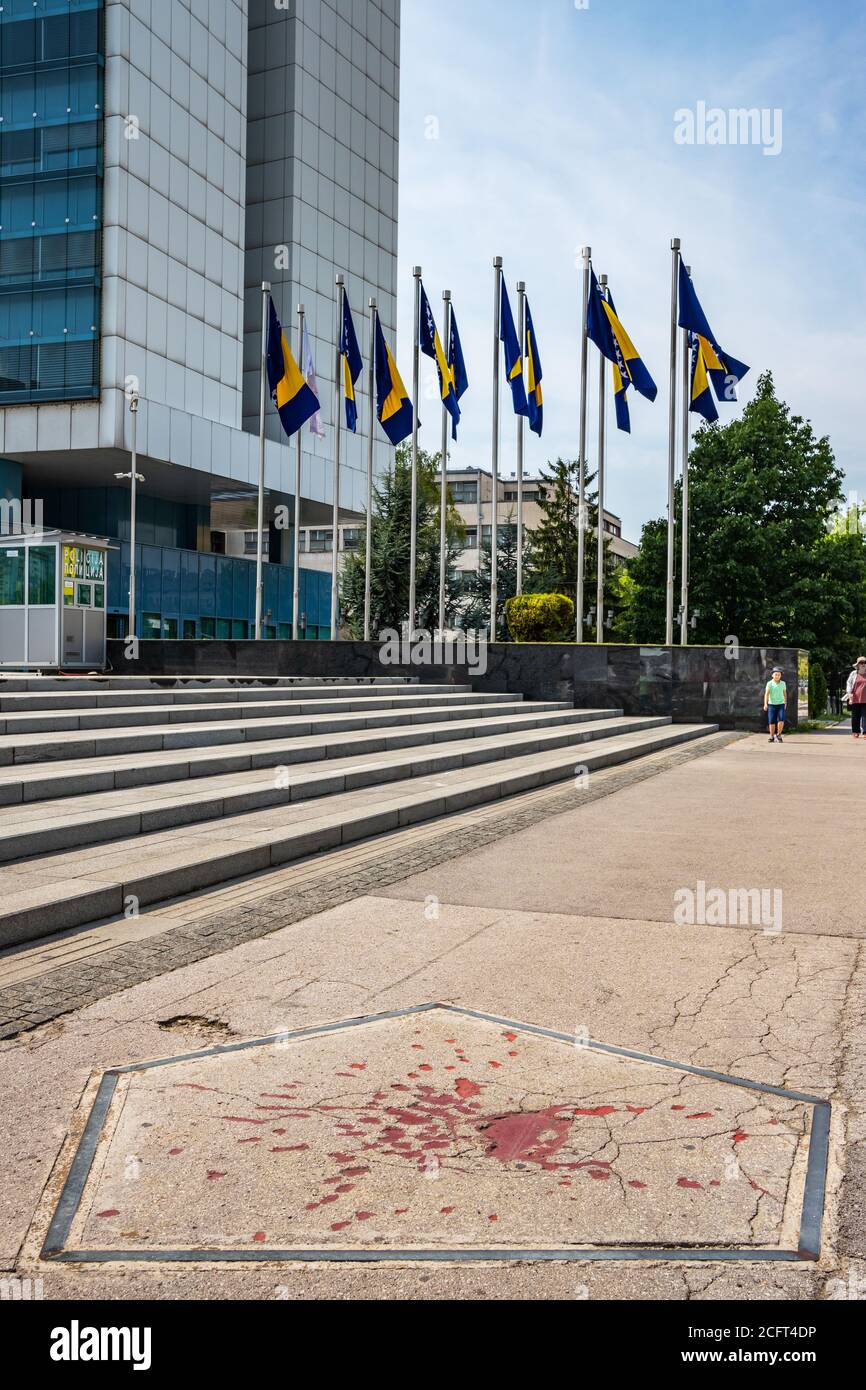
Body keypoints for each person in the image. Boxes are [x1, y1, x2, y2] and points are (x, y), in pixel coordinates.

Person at [763, 667, 787, 744]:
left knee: (781, 719)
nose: (777, 676)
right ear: (772, 675)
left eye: (779, 675)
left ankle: (779, 735)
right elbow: (766, 694)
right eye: (776, 674)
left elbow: (785, 694)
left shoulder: (783, 683)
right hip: (771, 705)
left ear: (781, 676)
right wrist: (765, 704)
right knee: (771, 721)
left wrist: (785, 702)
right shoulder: (769, 683)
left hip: (781, 704)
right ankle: (771, 736)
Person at [845, 656, 866, 739]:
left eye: (864, 662)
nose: (863, 664)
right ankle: (855, 731)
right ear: (858, 665)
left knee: (865, 716)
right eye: (861, 663)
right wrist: (849, 693)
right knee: (855, 716)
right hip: (855, 698)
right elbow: (849, 683)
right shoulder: (853, 673)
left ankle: (865, 732)